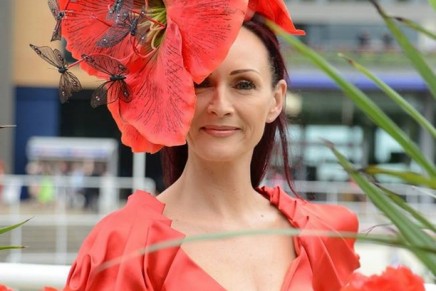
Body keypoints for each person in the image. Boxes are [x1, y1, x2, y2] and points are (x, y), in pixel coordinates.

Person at [35, 1, 360, 290]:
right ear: (171, 91)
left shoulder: (321, 236)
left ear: (276, 100)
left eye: (243, 84)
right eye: (201, 83)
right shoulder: (124, 244)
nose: (220, 105)